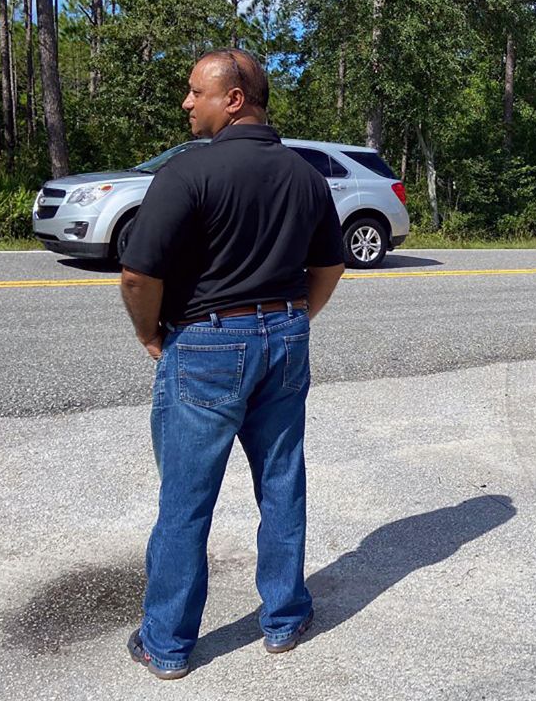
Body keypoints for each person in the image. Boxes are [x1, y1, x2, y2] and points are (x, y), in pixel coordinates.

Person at [117, 48, 347, 680]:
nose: (188, 103)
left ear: (235, 98)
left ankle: (165, 643)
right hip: (285, 336)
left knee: (187, 499)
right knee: (281, 481)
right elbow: (329, 265)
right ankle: (283, 619)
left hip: (209, 342)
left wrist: (150, 337)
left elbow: (138, 275)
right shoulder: (305, 176)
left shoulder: (190, 173)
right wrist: (294, 318)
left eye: (197, 92)